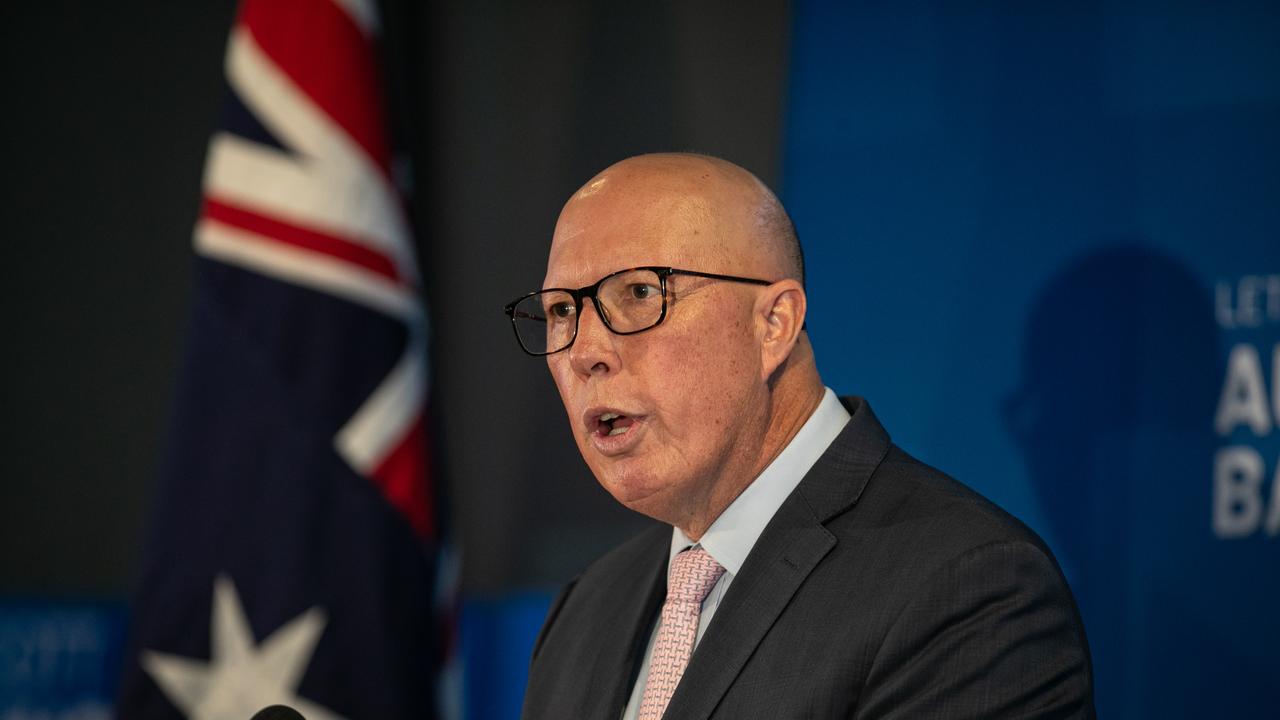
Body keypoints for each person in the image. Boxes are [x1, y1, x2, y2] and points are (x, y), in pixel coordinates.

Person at [508, 153, 1094, 719]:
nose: (584, 352)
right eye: (561, 311)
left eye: (638, 293)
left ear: (774, 324)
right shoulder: (586, 611)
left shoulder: (968, 588)